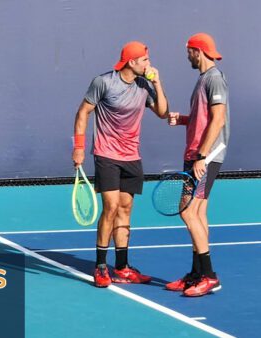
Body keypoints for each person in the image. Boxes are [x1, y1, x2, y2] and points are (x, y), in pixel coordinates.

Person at [72, 41, 169, 288]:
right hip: (106, 154)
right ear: (132, 62)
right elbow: (83, 112)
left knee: (126, 208)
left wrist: (157, 82)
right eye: (145, 60)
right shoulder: (103, 82)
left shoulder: (144, 84)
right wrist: (79, 147)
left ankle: (123, 267)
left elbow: (162, 112)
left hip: (131, 156)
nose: (149, 63)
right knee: (111, 207)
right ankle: (101, 266)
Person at [166, 33, 229, 297]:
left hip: (204, 156)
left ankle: (209, 275)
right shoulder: (203, 79)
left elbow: (218, 119)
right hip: (197, 153)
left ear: (198, 52)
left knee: (187, 212)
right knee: (198, 214)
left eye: (189, 51)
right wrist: (183, 120)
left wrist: (202, 156)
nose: (187, 56)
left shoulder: (214, 78)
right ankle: (196, 274)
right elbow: (203, 119)